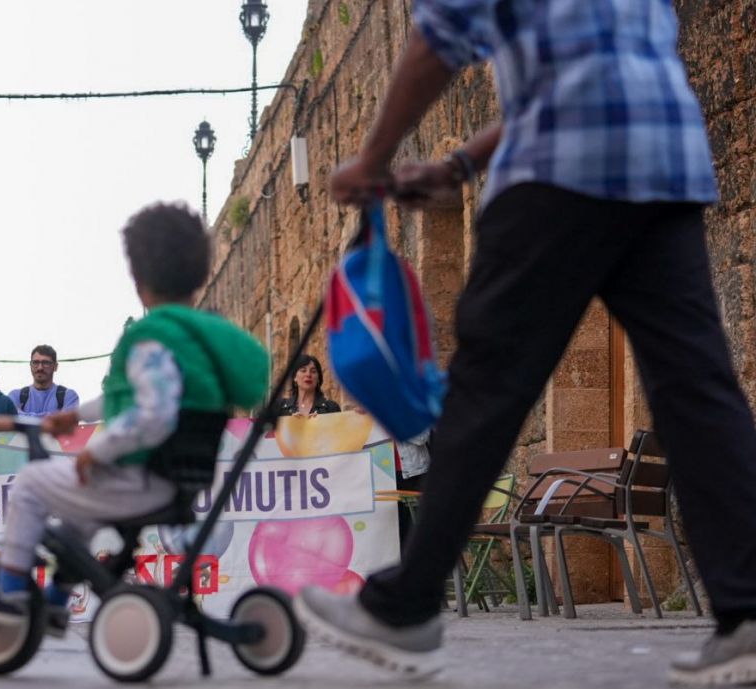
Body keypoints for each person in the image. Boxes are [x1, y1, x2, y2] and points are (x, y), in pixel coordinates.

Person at [293, 1, 756, 683]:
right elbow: (584, 69)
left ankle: (404, 607)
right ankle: (748, 614)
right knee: (697, 388)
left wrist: (374, 158)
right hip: (663, 154)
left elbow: (441, 32)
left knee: (485, 386)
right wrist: (456, 165)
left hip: (556, 170)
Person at [0, 201, 268, 629]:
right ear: (202, 274)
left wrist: (98, 454)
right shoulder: (200, 338)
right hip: (181, 479)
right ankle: (58, 600)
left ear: (139, 281)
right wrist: (75, 414)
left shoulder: (150, 338)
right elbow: (137, 396)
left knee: (29, 485)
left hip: (139, 480)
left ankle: (7, 593)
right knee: (78, 515)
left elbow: (153, 413)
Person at [8, 344, 81, 418]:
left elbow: (67, 422)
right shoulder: (16, 395)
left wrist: (23, 417)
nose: (40, 368)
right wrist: (54, 418)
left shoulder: (68, 396)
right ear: (30, 366)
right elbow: (11, 420)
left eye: (46, 363)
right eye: (35, 362)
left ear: (55, 367)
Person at [276, 354, 341, 417]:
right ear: (294, 377)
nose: (308, 375)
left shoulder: (331, 408)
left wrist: (321, 422)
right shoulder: (280, 408)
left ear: (318, 378)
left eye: (313, 371)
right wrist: (290, 422)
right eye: (303, 371)